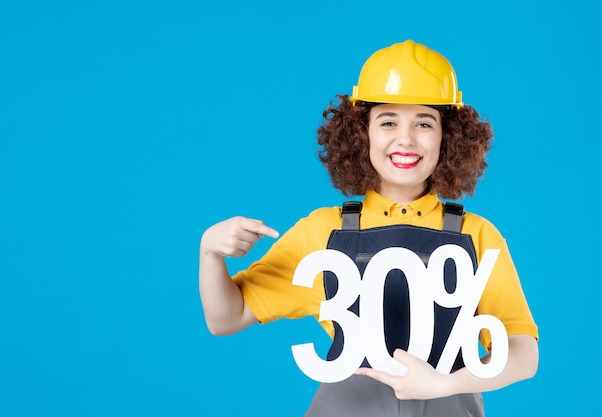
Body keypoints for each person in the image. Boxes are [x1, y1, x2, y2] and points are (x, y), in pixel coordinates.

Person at [199, 39, 538, 417]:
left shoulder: (476, 236)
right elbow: (226, 319)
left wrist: (444, 383)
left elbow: (523, 352)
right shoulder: (322, 232)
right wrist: (209, 252)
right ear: (362, 134)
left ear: (449, 136)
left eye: (424, 123)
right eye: (388, 121)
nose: (405, 139)